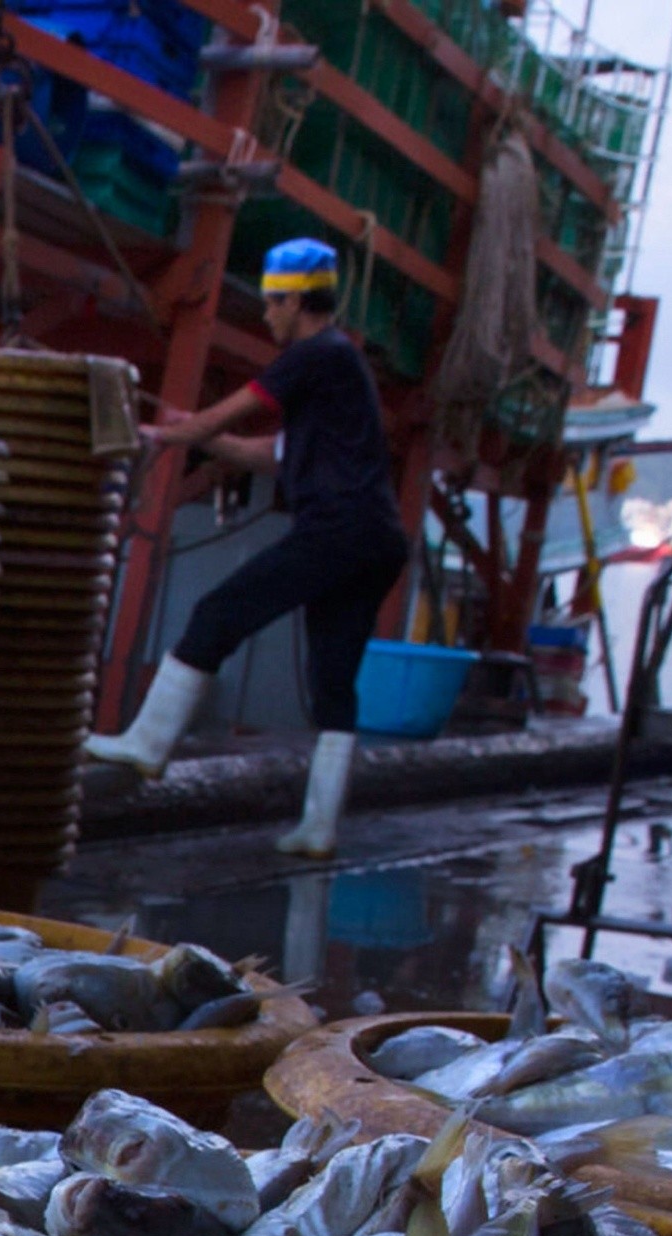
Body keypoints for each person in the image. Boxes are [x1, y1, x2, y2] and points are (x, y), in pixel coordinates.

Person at [82, 239, 410, 861]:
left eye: (271, 304)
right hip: (376, 540)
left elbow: (232, 411)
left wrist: (166, 433)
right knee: (332, 682)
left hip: (336, 529)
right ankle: (319, 829)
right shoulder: (339, 368)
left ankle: (148, 744)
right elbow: (267, 452)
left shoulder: (316, 352)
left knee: (217, 613)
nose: (266, 316)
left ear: (297, 301)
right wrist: (197, 431)